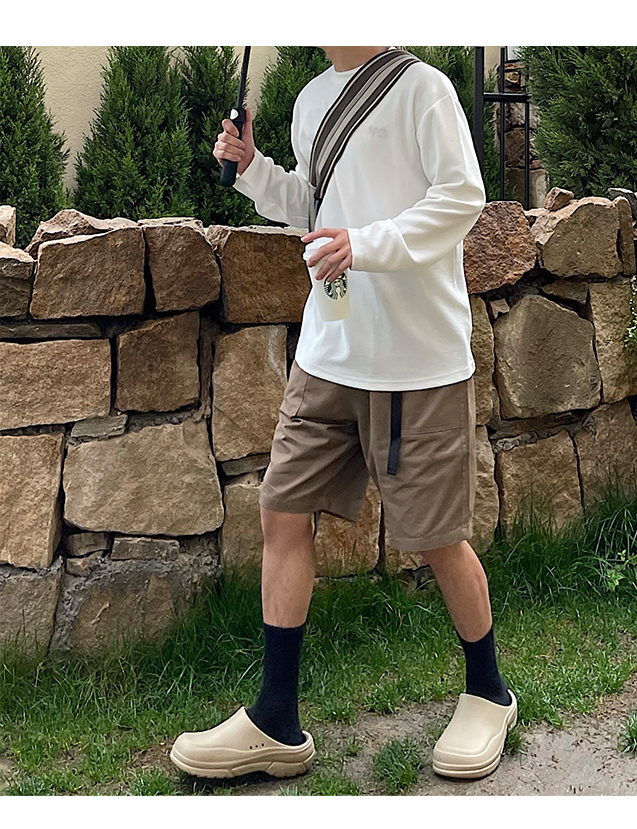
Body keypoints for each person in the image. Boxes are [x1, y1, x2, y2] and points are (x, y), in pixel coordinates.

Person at [169, 46, 516, 782]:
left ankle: (489, 692)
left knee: (437, 537)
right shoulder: (309, 100)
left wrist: (367, 244)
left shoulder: (424, 89)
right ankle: (276, 720)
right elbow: (314, 207)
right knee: (282, 510)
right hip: (329, 351)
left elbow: (462, 198)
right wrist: (255, 170)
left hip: (415, 361)